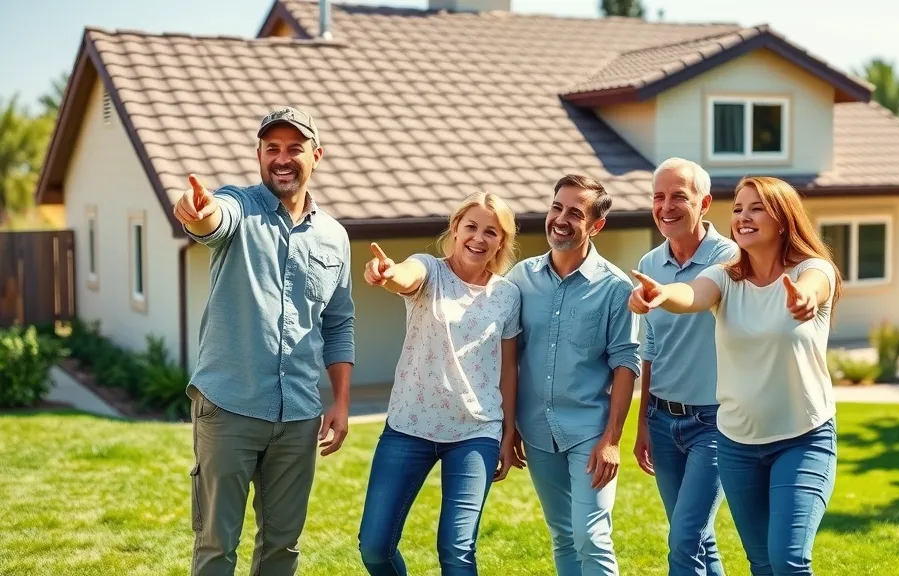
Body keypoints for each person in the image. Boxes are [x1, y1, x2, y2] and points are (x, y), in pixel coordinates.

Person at [172, 106, 355, 576]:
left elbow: (338, 324)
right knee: (216, 545)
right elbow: (213, 220)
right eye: (271, 148)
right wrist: (200, 213)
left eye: (294, 148)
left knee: (283, 548)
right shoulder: (240, 204)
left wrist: (341, 402)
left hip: (298, 416)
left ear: (316, 155)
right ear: (258, 155)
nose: (282, 158)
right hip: (229, 408)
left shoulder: (335, 237)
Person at [629, 176, 842, 576]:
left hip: (803, 438)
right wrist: (662, 295)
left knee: (788, 560)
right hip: (737, 444)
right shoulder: (725, 276)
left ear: (783, 219)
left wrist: (805, 300)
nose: (743, 216)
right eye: (739, 209)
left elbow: (816, 288)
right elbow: (692, 295)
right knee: (761, 562)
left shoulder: (812, 270)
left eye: (756, 208)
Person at [356, 191, 525, 576]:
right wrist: (387, 273)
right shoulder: (428, 270)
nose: (479, 239)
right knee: (374, 548)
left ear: (502, 241)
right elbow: (404, 276)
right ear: (455, 228)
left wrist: (507, 432)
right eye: (471, 227)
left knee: (456, 549)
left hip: (474, 432)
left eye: (491, 232)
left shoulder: (507, 295)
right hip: (409, 426)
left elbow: (508, 369)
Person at [507, 173, 642, 576]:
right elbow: (508, 358)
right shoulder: (520, 279)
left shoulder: (616, 288)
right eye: (556, 207)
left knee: (591, 535)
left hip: (590, 432)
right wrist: (508, 426)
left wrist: (612, 440)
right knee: (562, 534)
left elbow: (626, 363)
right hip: (535, 428)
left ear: (596, 226)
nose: (561, 219)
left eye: (575, 213)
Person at [633, 158, 738, 576]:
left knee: (684, 540)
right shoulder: (650, 262)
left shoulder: (731, 258)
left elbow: (695, 296)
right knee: (698, 538)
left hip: (714, 423)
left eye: (679, 196)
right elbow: (651, 347)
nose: (666, 206)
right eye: (659, 197)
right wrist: (642, 422)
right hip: (662, 420)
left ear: (705, 202)